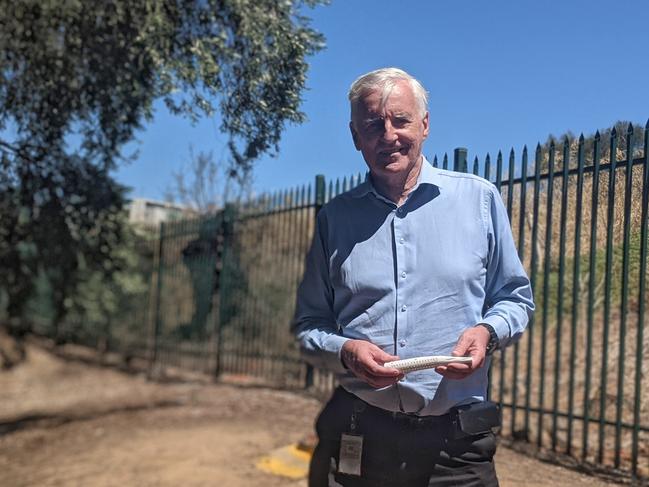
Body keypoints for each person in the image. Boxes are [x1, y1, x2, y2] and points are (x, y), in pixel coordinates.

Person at [292, 67, 534, 487]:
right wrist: (346, 348)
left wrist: (487, 332)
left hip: (456, 447)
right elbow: (310, 325)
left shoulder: (478, 200)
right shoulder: (335, 218)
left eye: (400, 120)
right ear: (355, 137)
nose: (388, 136)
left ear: (424, 125)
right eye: (372, 125)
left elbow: (515, 299)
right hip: (360, 435)